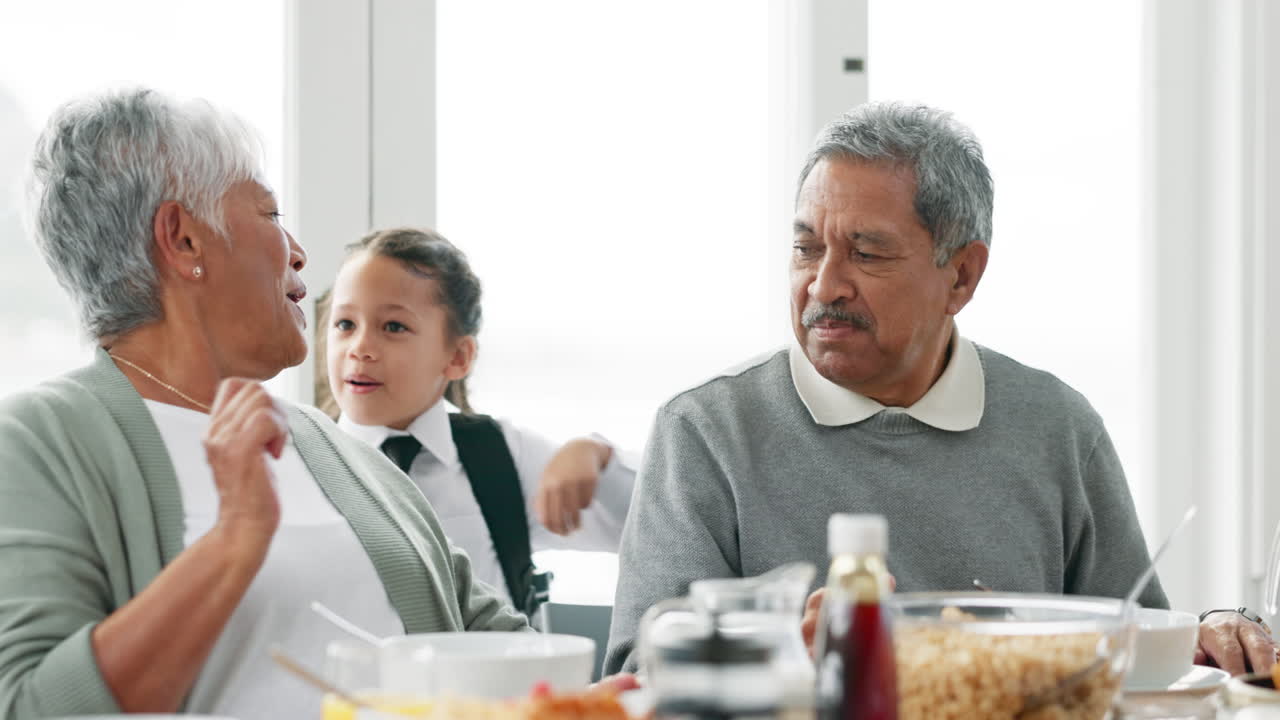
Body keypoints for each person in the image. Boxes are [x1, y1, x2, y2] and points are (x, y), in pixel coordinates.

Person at [603, 101, 1278, 677]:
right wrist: (782, 659)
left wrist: (1217, 632)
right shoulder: (705, 431)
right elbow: (634, 679)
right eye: (808, 248)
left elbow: (1141, 654)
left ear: (961, 276)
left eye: (866, 254)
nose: (824, 285)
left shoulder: (1057, 427)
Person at [0, 88, 528, 720]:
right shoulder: (36, 442)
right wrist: (236, 538)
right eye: (272, 215)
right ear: (184, 240)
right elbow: (32, 706)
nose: (300, 252)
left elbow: (499, 648)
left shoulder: (338, 449)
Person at [319, 227, 636, 615]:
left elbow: (657, 532)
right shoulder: (299, 462)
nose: (360, 348)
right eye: (345, 324)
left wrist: (595, 455)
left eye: (394, 327)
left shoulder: (503, 458)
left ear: (458, 358)